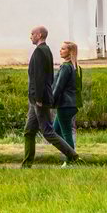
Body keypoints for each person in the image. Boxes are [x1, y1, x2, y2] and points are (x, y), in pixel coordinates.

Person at [22, 26, 78, 167]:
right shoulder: (46, 50)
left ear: (39, 35)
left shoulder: (40, 52)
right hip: (35, 99)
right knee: (29, 131)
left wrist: (40, 98)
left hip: (39, 100)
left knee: (48, 132)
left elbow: (40, 78)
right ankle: (26, 164)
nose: (30, 36)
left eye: (32, 34)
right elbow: (49, 77)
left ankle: (73, 156)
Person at [48, 40, 82, 148]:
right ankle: (67, 152)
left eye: (63, 49)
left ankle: (71, 156)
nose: (60, 50)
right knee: (56, 131)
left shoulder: (66, 67)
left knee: (66, 133)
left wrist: (51, 100)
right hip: (74, 104)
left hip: (65, 105)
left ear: (70, 51)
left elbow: (59, 87)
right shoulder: (77, 67)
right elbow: (78, 88)